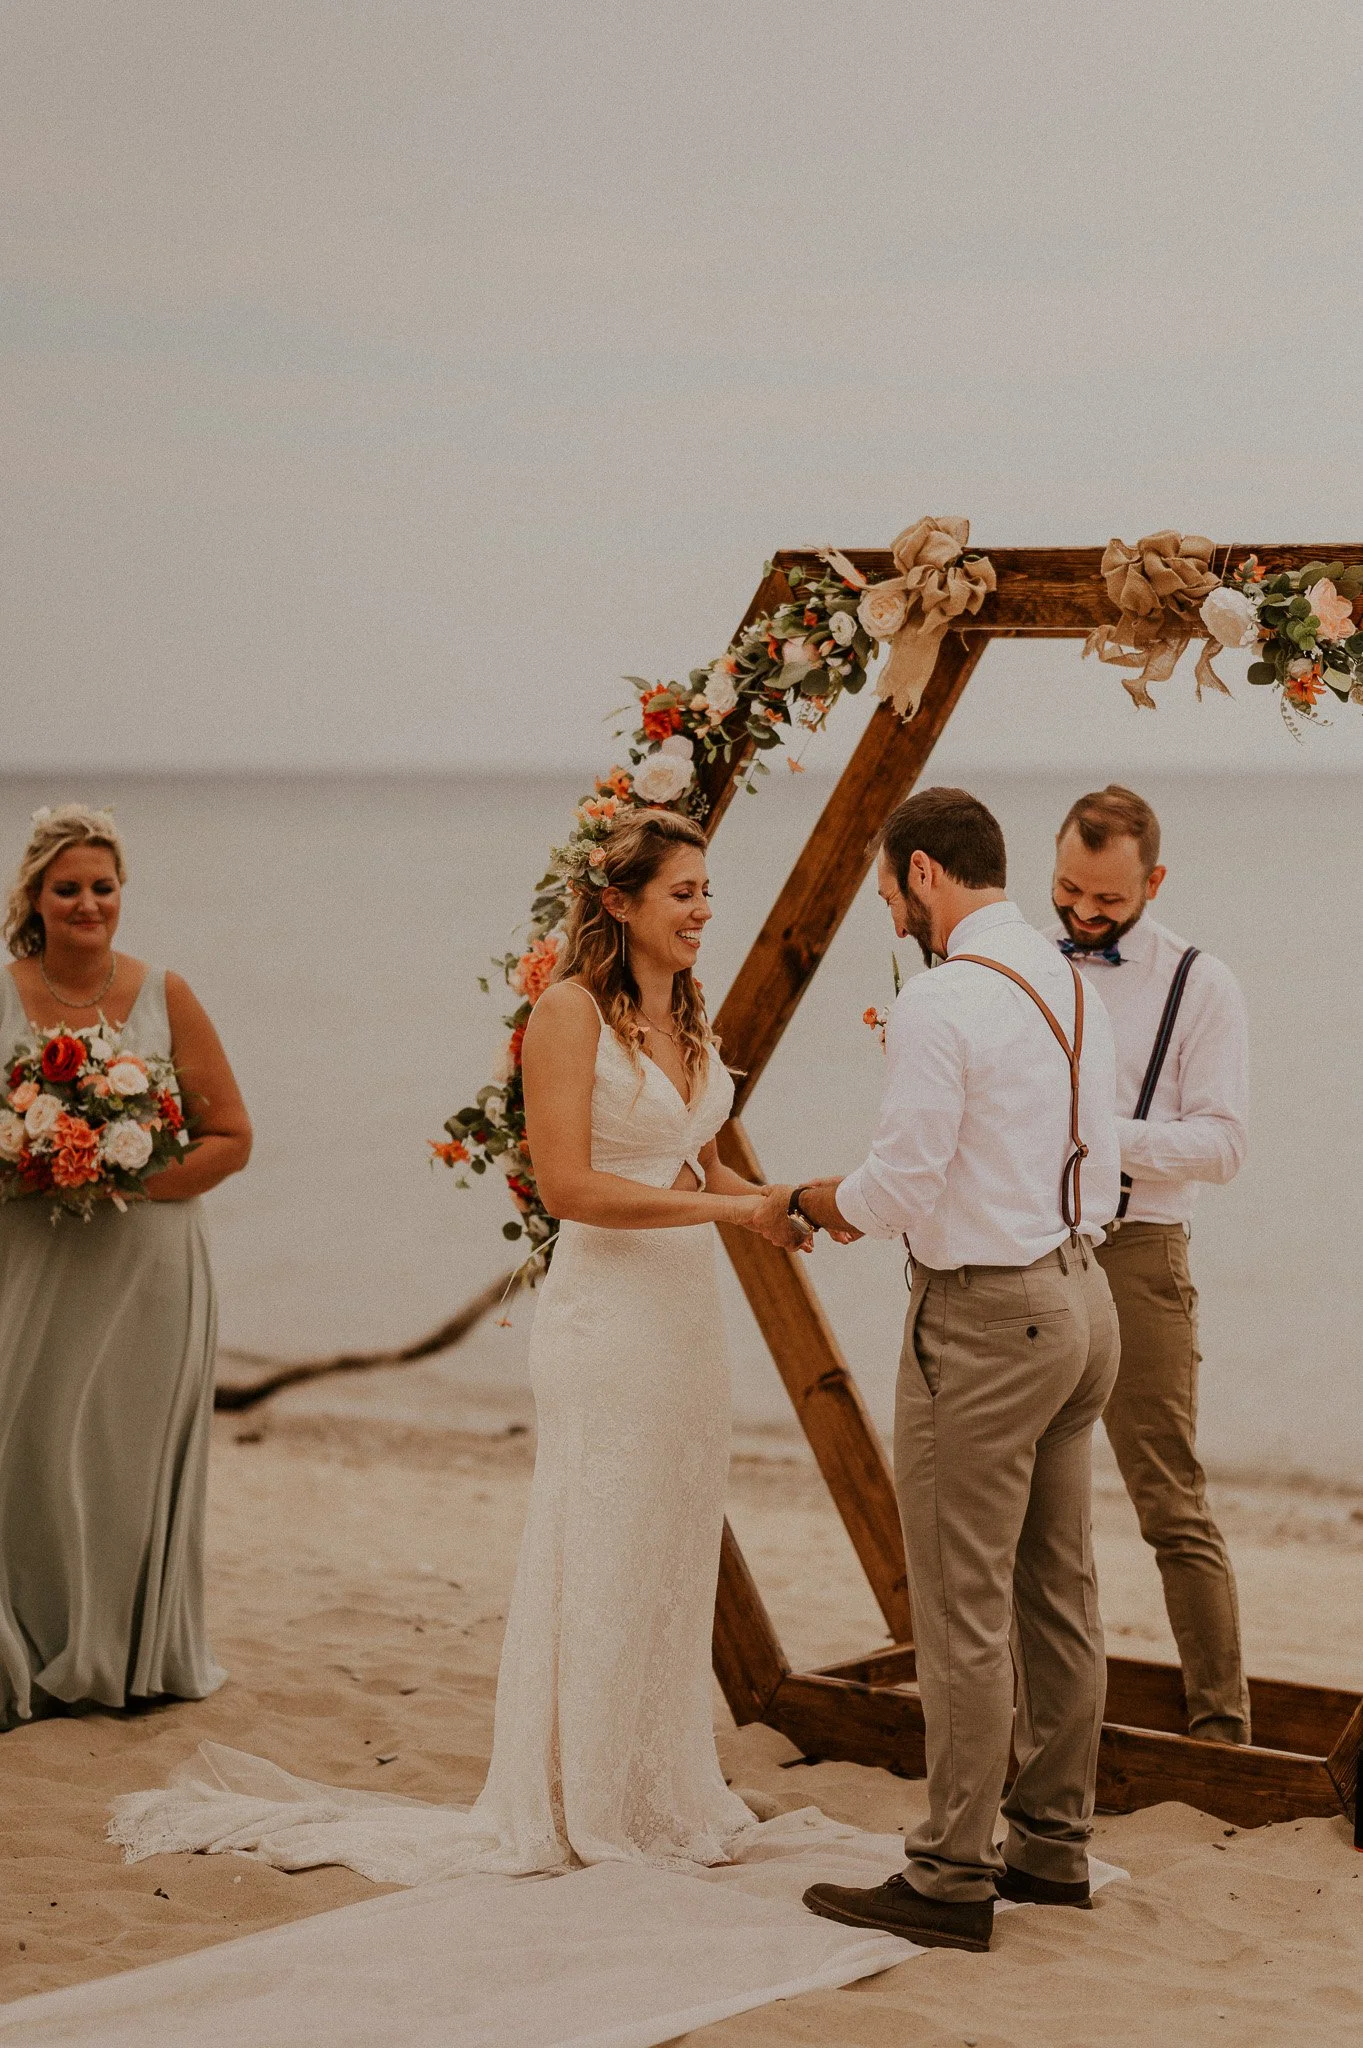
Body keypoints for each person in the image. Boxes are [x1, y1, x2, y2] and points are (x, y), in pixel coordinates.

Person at [110, 807, 820, 1880]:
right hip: (607, 1320)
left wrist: (789, 1201)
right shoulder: (567, 1014)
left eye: (708, 891)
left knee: (670, 1544)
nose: (703, 911)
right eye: (683, 893)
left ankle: (652, 1784)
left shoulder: (689, 1016)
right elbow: (572, 1187)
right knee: (606, 1544)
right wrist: (734, 1219)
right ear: (619, 902)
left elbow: (699, 1165)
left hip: (685, 1319)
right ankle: (579, 1797)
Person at [754, 786, 1122, 1953]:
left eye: (885, 887)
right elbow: (1103, 1159)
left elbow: (899, 1187)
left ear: (921, 873)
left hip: (986, 1321)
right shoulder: (1071, 977)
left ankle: (953, 1870)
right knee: (1057, 1592)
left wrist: (813, 1201)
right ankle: (1051, 1848)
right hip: (1079, 1300)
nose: (888, 908)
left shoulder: (942, 998)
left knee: (961, 1603)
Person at [0, 803, 252, 1730]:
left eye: (102, 887)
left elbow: (232, 1139)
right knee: (17, 1452)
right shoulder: (2, 991)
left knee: (119, 1462)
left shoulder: (165, 994)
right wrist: (29, 1159)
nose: (88, 903)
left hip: (147, 1270)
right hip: (26, 1264)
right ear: (35, 895)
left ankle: (120, 1659)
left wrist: (122, 1175)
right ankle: (19, 1650)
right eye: (68, 888)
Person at [1050, 784, 1250, 1745]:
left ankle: (1220, 1727)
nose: (1085, 915)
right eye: (1069, 893)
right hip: (1030, 1248)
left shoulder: (1200, 982)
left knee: (1168, 1500)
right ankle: (1041, 1704)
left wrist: (1100, 1135)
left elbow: (1222, 1144)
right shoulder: (1014, 966)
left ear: (1152, 881)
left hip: (1136, 1254)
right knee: (1028, 1500)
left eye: (1108, 902)